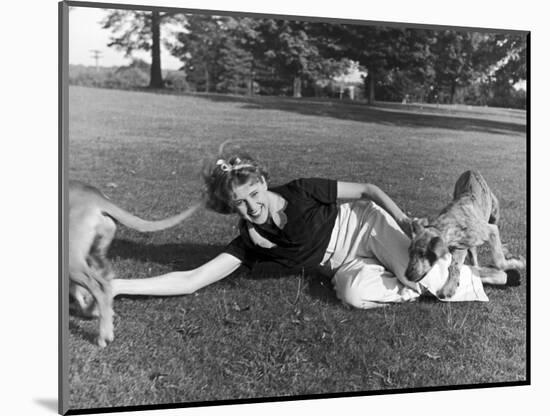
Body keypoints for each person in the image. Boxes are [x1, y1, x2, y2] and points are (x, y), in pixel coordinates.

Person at [111, 151, 514, 309]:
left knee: (430, 279)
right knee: (354, 295)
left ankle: (490, 275)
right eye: (240, 203)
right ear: (230, 207)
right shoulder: (250, 243)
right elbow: (193, 278)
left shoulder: (302, 191)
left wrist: (405, 221)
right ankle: (444, 276)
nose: (252, 207)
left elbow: (368, 190)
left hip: (366, 226)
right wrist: (117, 286)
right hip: (341, 264)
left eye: (255, 193)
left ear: (264, 181)